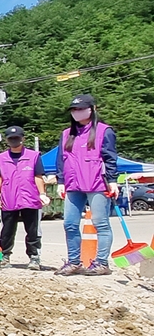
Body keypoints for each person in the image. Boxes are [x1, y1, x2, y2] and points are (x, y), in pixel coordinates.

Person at [54, 94, 118, 276]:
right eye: (74, 110)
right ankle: (74, 262)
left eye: (80, 109)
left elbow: (110, 158)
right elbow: (61, 159)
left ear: (92, 109)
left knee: (101, 224)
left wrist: (112, 181)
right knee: (70, 224)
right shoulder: (66, 134)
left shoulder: (105, 131)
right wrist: (60, 181)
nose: (77, 112)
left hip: (97, 183)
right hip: (73, 184)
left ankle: (101, 262)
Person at [0, 125, 50, 270]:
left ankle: (34, 257)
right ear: (7, 140)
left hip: (30, 199)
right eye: (11, 139)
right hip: (9, 199)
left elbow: (38, 176)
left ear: (22, 139)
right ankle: (3, 257)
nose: (14, 142)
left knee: (32, 230)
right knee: (7, 230)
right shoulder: (0, 158)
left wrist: (42, 193)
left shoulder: (34, 156)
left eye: (17, 139)